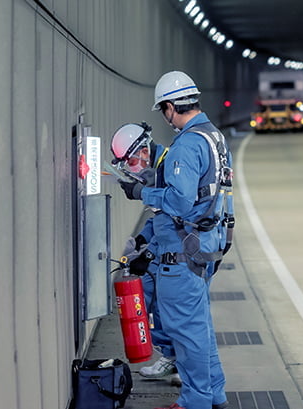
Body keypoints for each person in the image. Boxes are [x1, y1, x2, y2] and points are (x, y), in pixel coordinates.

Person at [118, 71, 231, 409]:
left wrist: (141, 191)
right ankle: (214, 395)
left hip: (184, 254)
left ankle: (195, 402)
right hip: (205, 246)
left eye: (163, 111)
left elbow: (181, 203)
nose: (165, 118)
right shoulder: (214, 137)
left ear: (170, 107)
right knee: (200, 329)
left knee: (186, 332)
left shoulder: (187, 143)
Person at [110, 122, 180, 384]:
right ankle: (172, 358)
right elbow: (159, 218)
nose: (130, 169)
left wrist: (147, 257)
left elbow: (176, 218)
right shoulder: (156, 170)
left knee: (163, 300)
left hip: (180, 249)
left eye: (129, 162)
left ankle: (179, 362)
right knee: (152, 293)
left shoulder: (170, 167)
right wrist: (141, 238)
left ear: (142, 151)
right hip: (167, 246)